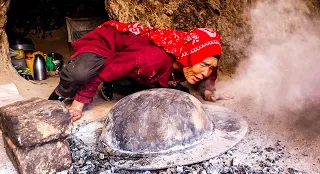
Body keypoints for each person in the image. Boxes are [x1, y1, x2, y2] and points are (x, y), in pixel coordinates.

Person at [48, 20, 233, 121]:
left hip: (128, 57)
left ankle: (116, 81)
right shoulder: (152, 59)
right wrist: (78, 105)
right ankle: (59, 92)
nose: (205, 73)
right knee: (81, 74)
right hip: (106, 44)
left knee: (162, 92)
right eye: (203, 65)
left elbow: (210, 66)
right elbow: (105, 72)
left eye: (210, 68)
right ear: (190, 55)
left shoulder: (192, 54)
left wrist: (209, 92)